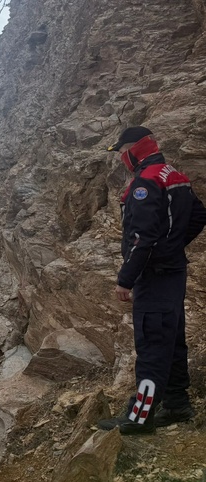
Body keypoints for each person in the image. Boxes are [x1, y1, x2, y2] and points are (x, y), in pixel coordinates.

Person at [98, 126, 206, 435]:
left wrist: (125, 279)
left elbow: (142, 238)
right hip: (173, 274)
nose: (120, 157)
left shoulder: (145, 182)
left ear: (134, 149)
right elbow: (199, 216)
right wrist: (172, 248)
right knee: (171, 341)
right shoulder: (174, 175)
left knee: (152, 346)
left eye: (121, 151)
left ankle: (140, 417)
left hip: (153, 277)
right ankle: (177, 404)